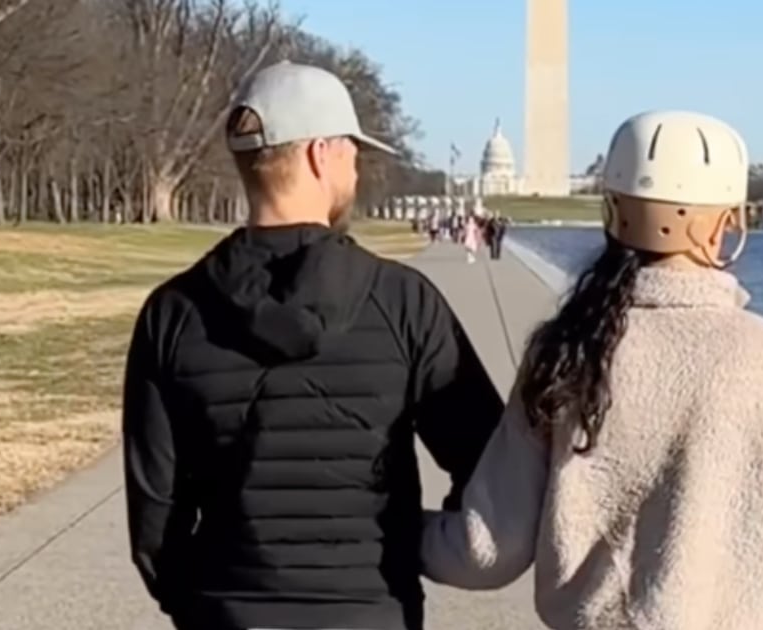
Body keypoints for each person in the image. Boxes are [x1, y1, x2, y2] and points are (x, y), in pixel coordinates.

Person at [420, 111, 763, 629]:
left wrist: (390, 530)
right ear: (728, 223)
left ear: (611, 212)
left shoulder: (565, 351)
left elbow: (487, 551)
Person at [122, 60, 504, 630]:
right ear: (320, 154)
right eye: (352, 150)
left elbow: (155, 520)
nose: (356, 166)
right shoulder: (404, 303)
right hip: (372, 613)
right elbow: (493, 468)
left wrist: (205, 607)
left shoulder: (172, 313)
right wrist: (410, 540)